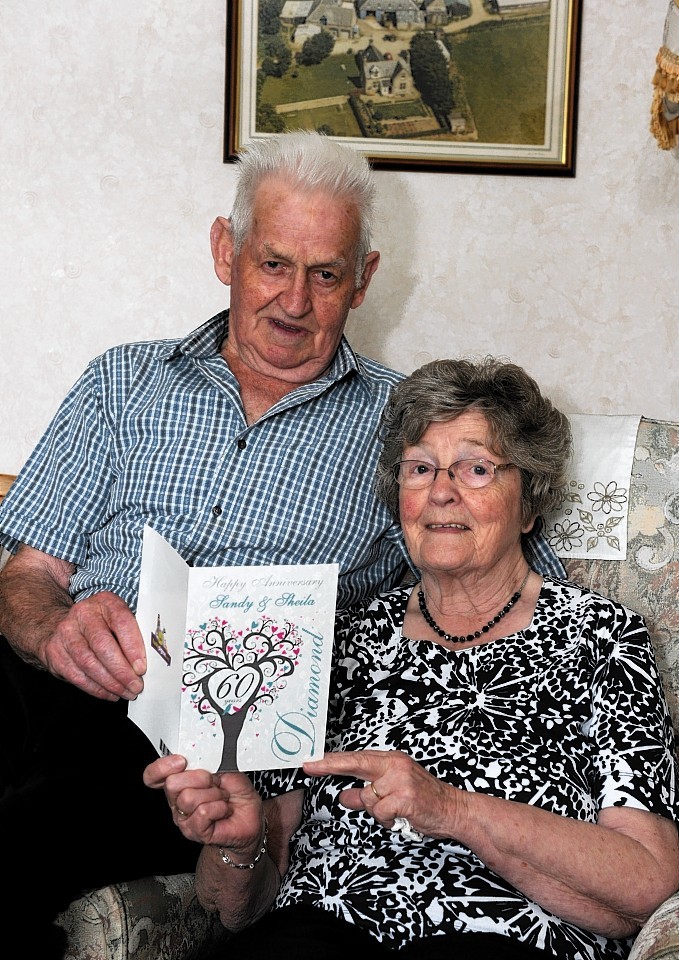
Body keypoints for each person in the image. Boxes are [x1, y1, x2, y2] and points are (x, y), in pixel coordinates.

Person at [0, 132, 563, 955]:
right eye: (273, 264)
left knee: (25, 836)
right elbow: (26, 576)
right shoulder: (120, 381)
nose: (294, 301)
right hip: (52, 678)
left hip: (202, 753)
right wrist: (53, 627)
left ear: (363, 280)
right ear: (226, 251)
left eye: (325, 273)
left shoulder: (404, 426)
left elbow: (506, 582)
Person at [145, 357, 679, 960]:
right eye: (420, 468)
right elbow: (242, 906)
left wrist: (450, 809)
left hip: (498, 939)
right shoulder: (332, 639)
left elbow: (645, 881)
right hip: (320, 933)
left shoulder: (601, 638)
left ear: (530, 502)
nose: (442, 491)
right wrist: (240, 846)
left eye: (476, 468)